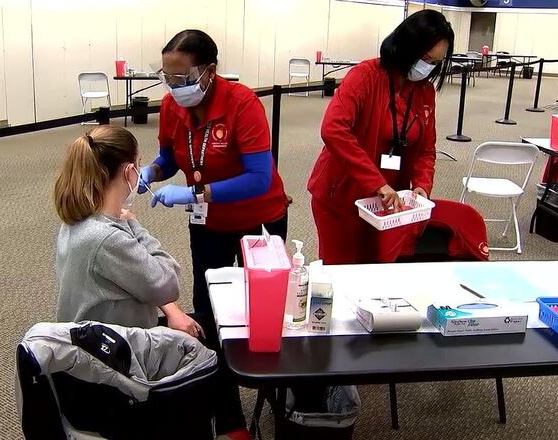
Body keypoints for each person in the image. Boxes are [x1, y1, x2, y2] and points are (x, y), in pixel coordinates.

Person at [139, 29, 287, 440]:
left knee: (267, 314)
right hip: (209, 223)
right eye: (168, 78)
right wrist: (152, 171)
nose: (174, 87)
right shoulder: (172, 106)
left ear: (209, 71)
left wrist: (194, 191)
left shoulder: (243, 105)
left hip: (260, 217)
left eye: (182, 78)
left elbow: (259, 179)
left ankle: (279, 396)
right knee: (211, 315)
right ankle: (229, 418)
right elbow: (170, 156)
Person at [308, 10, 454, 264]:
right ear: (406, 47)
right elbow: (333, 129)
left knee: (378, 271)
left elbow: (425, 149)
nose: (427, 68)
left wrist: (422, 185)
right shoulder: (365, 76)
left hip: (389, 205)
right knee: (341, 273)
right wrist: (377, 183)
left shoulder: (424, 91)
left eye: (435, 63)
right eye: (425, 59)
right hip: (343, 195)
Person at [53, 125, 202, 338]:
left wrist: (171, 309)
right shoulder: (108, 239)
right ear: (129, 172)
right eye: (139, 165)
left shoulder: (76, 220)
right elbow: (168, 283)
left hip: (89, 340)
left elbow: (137, 277)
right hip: (117, 355)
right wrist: (135, 226)